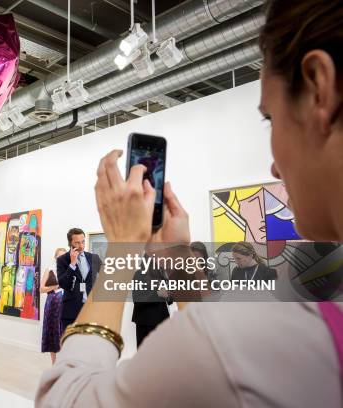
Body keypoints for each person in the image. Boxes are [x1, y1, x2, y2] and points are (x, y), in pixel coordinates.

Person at [36, 1, 343, 406]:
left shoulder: (272, 341)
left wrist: (125, 247)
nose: (273, 164)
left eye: (270, 118)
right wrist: (177, 256)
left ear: (319, 86)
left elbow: (65, 398)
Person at [57, 228, 103, 333]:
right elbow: (63, 284)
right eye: (77, 243)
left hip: (90, 310)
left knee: (89, 344)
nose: (81, 245)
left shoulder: (93, 257)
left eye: (83, 241)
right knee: (70, 344)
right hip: (71, 311)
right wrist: (72, 264)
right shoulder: (62, 260)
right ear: (70, 243)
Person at [40, 248, 67, 364]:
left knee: (65, 333)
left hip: (66, 305)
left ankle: (64, 363)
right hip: (52, 305)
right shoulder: (49, 270)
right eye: (59, 256)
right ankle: (54, 364)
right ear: (55, 257)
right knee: (52, 333)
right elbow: (41, 289)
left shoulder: (69, 271)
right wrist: (55, 286)